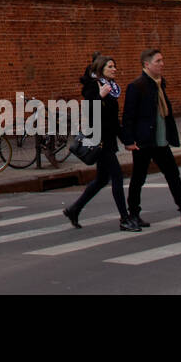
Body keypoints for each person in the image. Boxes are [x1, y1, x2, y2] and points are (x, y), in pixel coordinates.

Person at [121, 48, 181, 228]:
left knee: (173, 175)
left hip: (160, 141)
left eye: (162, 60)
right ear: (146, 64)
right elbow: (128, 116)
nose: (162, 64)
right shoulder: (137, 86)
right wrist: (129, 141)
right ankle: (133, 214)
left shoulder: (159, 84)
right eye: (158, 61)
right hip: (144, 142)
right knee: (139, 178)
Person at [62, 55, 138, 231]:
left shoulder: (111, 89)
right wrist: (99, 96)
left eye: (114, 66)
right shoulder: (93, 87)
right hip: (99, 141)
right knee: (117, 177)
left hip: (108, 140)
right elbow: (89, 112)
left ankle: (74, 209)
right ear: (100, 70)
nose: (114, 69)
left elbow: (113, 120)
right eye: (110, 66)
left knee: (102, 179)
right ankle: (124, 219)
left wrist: (127, 141)